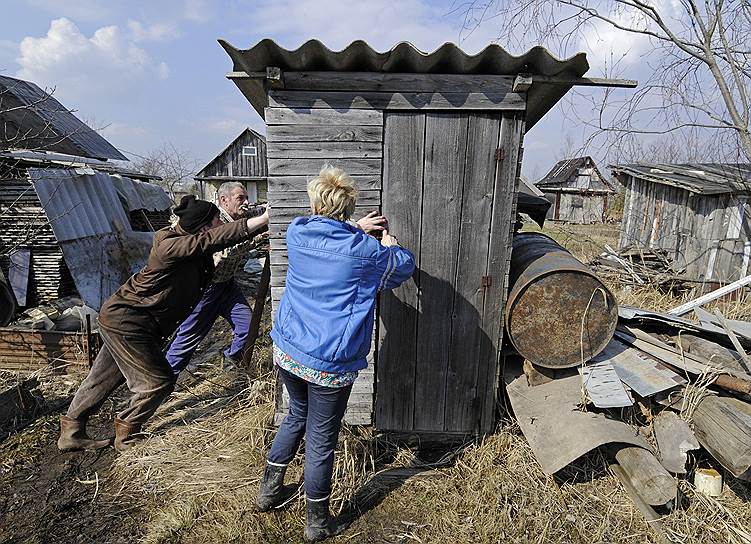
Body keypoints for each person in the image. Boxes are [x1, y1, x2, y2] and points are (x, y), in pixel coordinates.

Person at [255, 166, 415, 542]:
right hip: (329, 362)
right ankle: (317, 522)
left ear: (315, 202)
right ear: (349, 206)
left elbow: (326, 237)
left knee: (295, 415)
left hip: (290, 349)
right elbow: (402, 268)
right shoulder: (367, 253)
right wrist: (388, 244)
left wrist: (352, 227)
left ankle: (268, 491)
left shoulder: (297, 232)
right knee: (321, 437)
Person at [57, 195, 269, 453]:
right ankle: (127, 434)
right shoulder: (169, 245)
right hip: (128, 322)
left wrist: (260, 226)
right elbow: (213, 240)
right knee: (158, 381)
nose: (220, 225)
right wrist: (263, 219)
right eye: (217, 221)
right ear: (203, 227)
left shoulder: (189, 243)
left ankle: (71, 432)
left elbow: (216, 241)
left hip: (130, 320)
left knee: (103, 378)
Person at [167, 182, 388, 374]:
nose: (245, 202)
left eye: (246, 197)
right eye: (240, 198)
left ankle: (232, 361)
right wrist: (257, 232)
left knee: (245, 326)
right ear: (224, 200)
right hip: (208, 289)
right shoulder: (215, 223)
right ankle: (165, 378)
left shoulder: (242, 219)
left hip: (227, 286)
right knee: (189, 337)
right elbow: (225, 250)